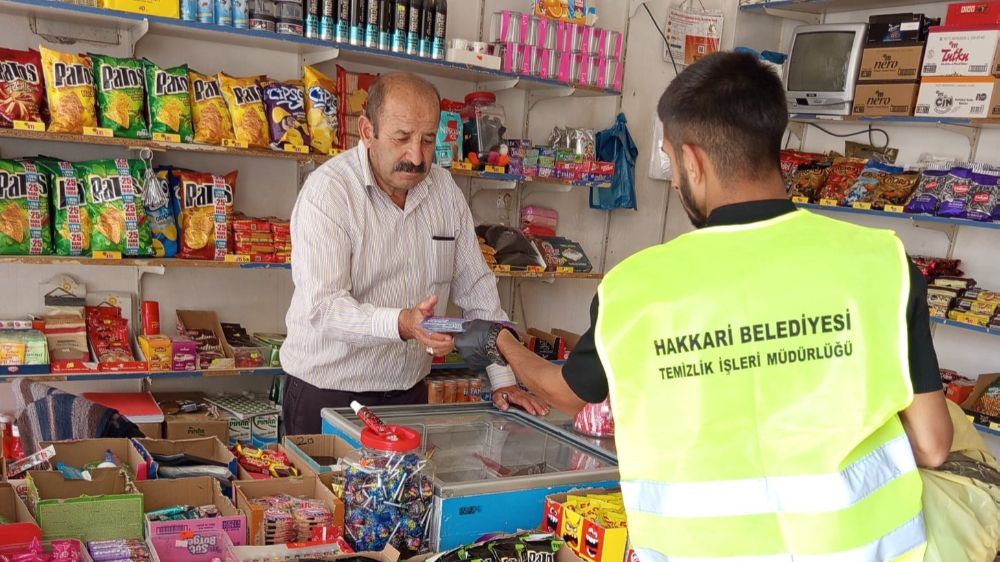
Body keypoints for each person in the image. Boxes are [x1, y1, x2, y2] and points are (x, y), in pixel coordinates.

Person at [456, 52, 953, 561]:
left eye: (671, 162)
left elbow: (568, 394)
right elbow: (934, 443)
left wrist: (502, 342)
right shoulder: (881, 262)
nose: (673, 181)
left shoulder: (637, 287)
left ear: (693, 161)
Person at [281, 72, 547, 435]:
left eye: (427, 139)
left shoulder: (444, 192)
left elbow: (478, 289)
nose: (416, 156)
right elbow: (324, 309)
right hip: (328, 394)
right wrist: (403, 323)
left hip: (408, 395)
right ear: (367, 130)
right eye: (402, 138)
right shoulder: (328, 193)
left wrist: (502, 378)